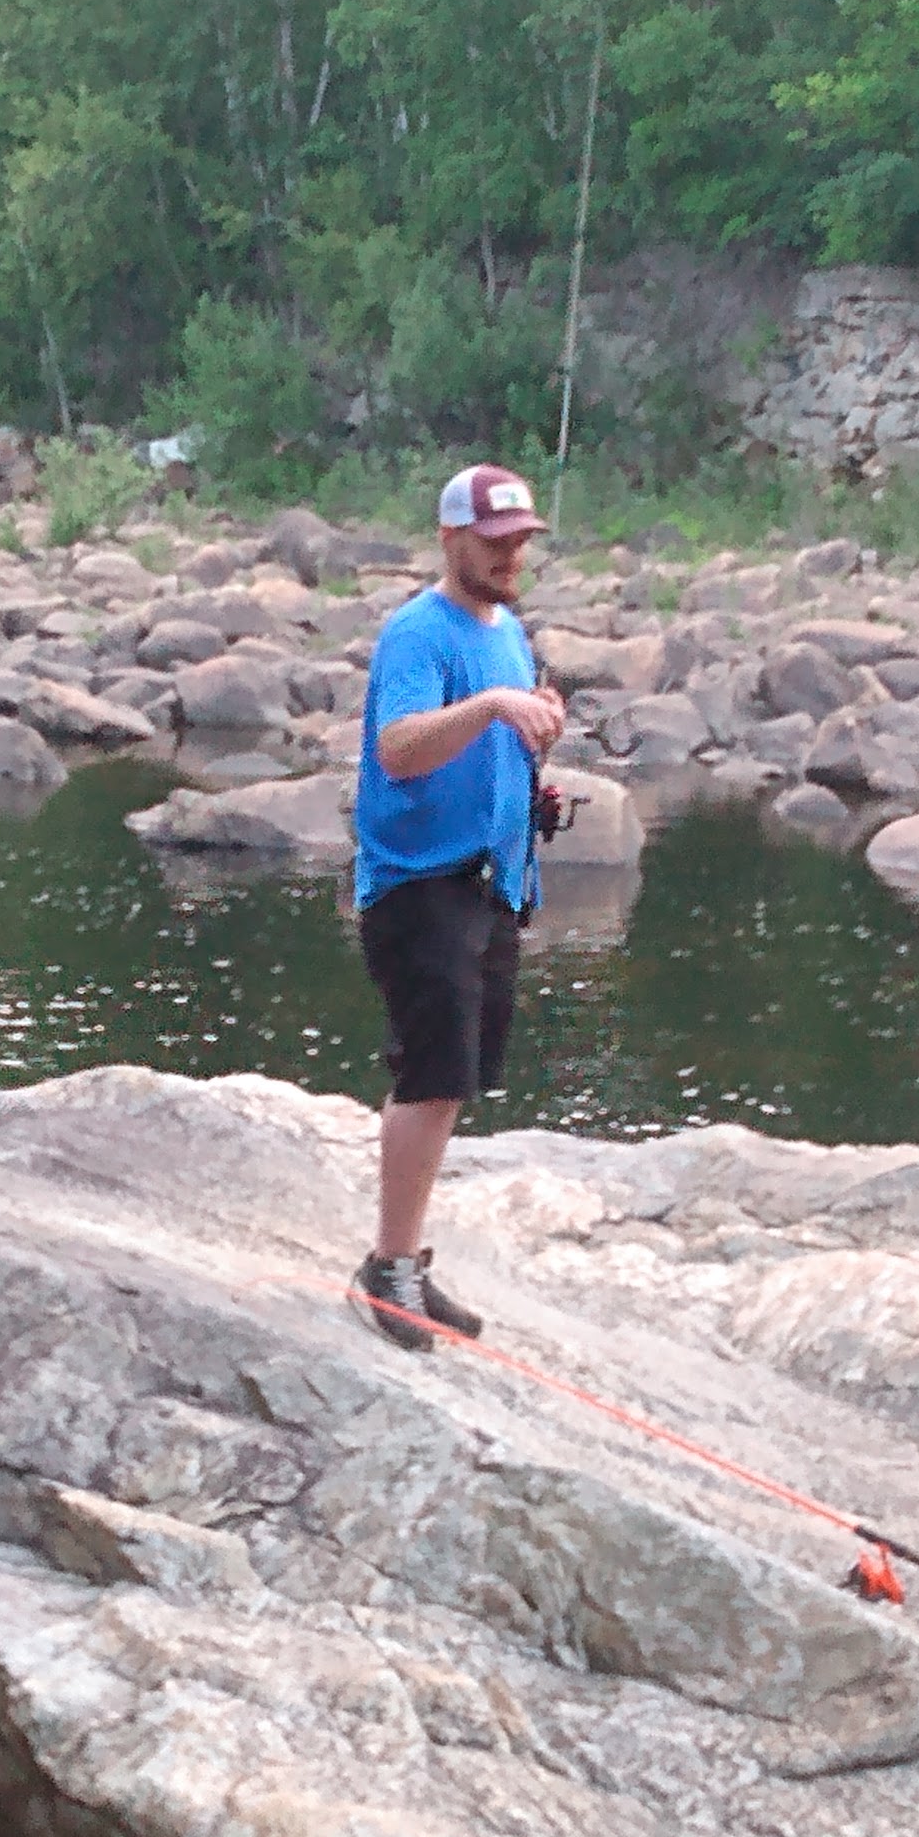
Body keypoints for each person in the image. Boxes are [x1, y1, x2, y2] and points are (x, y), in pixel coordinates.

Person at [350, 463, 565, 1352]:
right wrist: (490, 706)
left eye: (521, 541)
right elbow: (399, 749)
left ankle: (405, 1257)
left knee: (457, 1081)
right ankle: (388, 1270)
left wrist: (532, 737)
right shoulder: (417, 634)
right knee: (431, 1074)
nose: (512, 555)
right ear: (451, 540)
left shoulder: (509, 631)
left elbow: (493, 743)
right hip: (419, 883)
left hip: (491, 884)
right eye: (495, 541)